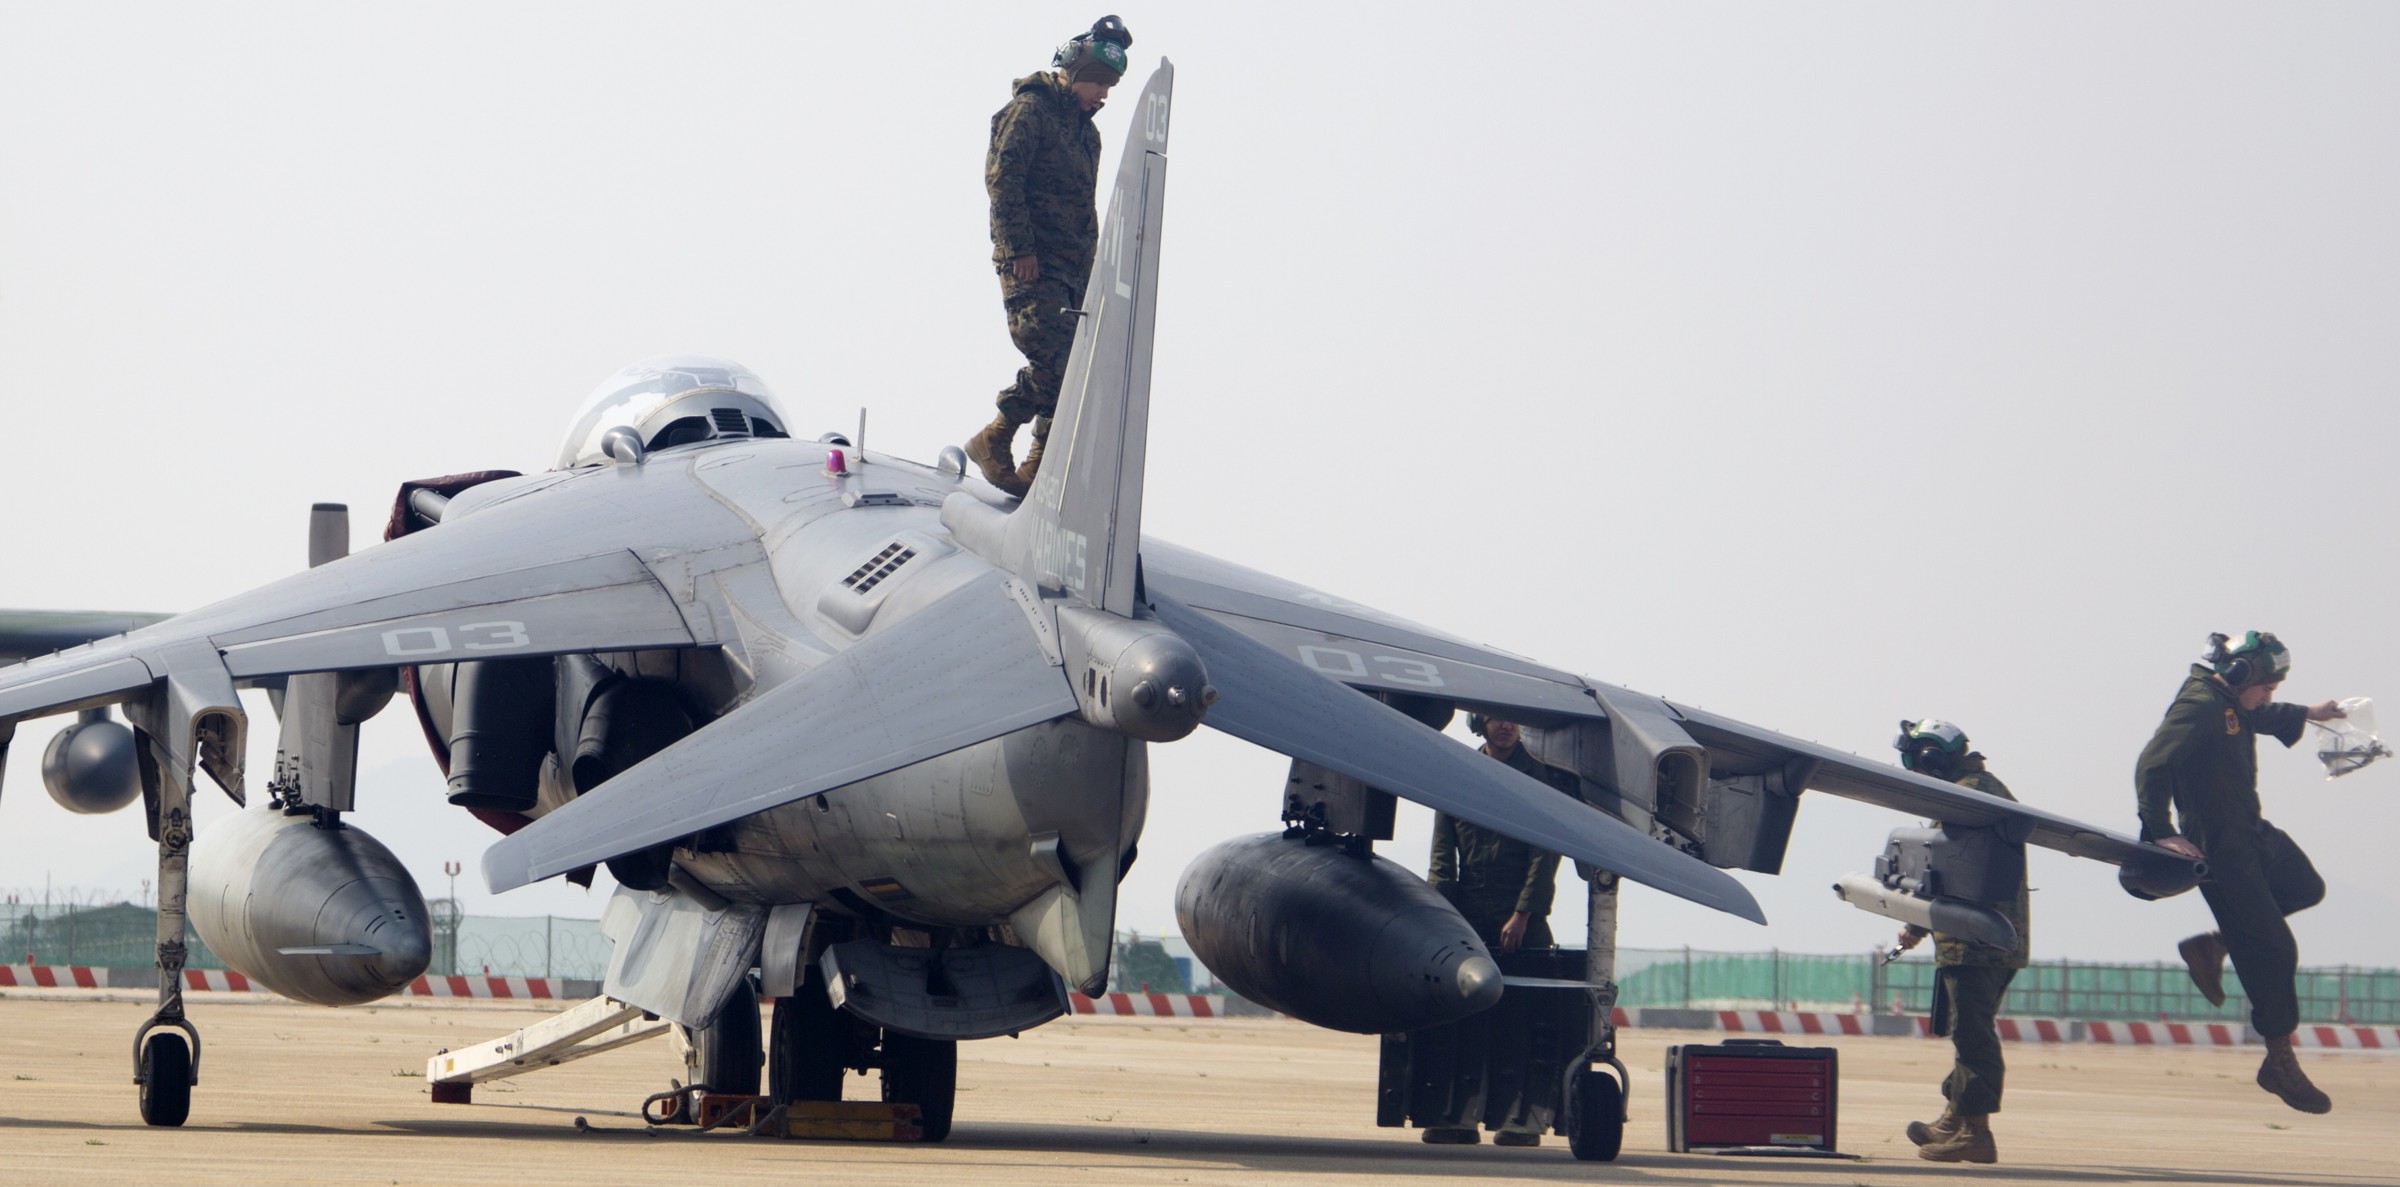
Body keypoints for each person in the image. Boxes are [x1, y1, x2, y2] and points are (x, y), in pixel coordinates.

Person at [2135, 631, 2346, 1114]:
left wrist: (2307, 713)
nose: (2268, 694)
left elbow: (2255, 714)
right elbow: (2153, 764)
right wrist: (2160, 830)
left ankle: (2215, 943)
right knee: (2273, 947)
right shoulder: (2200, 706)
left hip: (2250, 831)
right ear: (2239, 674)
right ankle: (2279, 1061)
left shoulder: (2230, 702)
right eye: (2266, 685)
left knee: (2304, 886)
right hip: (2220, 847)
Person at [965, 15, 1132, 498]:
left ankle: (1038, 464)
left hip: (1074, 269)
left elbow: (1084, 208)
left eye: (1110, 85)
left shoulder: (1087, 135)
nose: (1102, 93)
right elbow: (1002, 180)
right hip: (1032, 261)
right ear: (1073, 71)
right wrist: (1019, 248)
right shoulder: (1029, 110)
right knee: (1053, 355)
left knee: (1075, 365)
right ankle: (995, 436)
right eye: (1098, 81)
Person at [1420, 713, 1584, 1147]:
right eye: (1495, 718)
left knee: (1524, 1019)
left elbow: (1544, 853)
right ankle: (1455, 1116)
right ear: (1481, 723)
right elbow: (1443, 853)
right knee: (1460, 1017)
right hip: (1468, 914)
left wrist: (1523, 914)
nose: (1505, 726)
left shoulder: (1538, 779)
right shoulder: (1459, 774)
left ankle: (1521, 1121)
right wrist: (1443, 914)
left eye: (1512, 719)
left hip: (1521, 922)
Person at [1887, 719, 2030, 1165]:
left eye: (1920, 762)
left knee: (1973, 1037)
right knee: (1970, 1032)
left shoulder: (1965, 798)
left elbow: (1949, 870)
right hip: (1986, 935)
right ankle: (1955, 1116)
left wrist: (1916, 918)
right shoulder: (1982, 789)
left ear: (1934, 758)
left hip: (1973, 941)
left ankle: (1975, 1132)